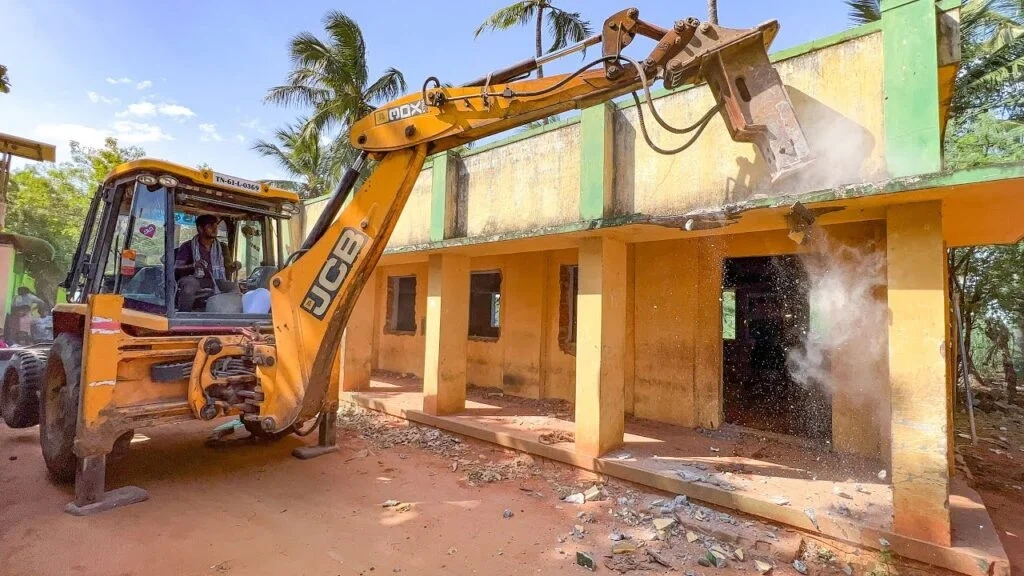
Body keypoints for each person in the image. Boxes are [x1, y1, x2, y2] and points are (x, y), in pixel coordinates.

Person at [174, 214, 239, 311]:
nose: (214, 229)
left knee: (233, 287)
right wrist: (193, 266)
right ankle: (184, 316)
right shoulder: (187, 246)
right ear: (200, 229)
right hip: (195, 279)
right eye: (210, 226)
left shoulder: (222, 247)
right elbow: (176, 267)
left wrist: (234, 266)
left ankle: (231, 316)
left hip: (216, 279)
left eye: (216, 226)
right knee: (189, 286)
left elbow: (227, 269)